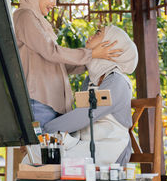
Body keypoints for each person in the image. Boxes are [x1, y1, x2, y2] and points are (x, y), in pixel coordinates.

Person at [13, 0, 122, 129]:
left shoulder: (39, 21)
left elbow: (58, 65)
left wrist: (89, 62)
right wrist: (90, 54)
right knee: (40, 152)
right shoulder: (24, 16)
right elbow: (51, 51)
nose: (54, 4)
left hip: (47, 103)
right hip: (38, 101)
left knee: (50, 152)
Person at [43, 25, 139, 166]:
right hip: (86, 145)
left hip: (110, 149)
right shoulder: (91, 80)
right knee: (44, 156)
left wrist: (45, 130)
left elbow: (85, 114)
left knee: (51, 162)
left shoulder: (117, 81)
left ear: (110, 43)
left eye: (98, 33)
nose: (90, 37)